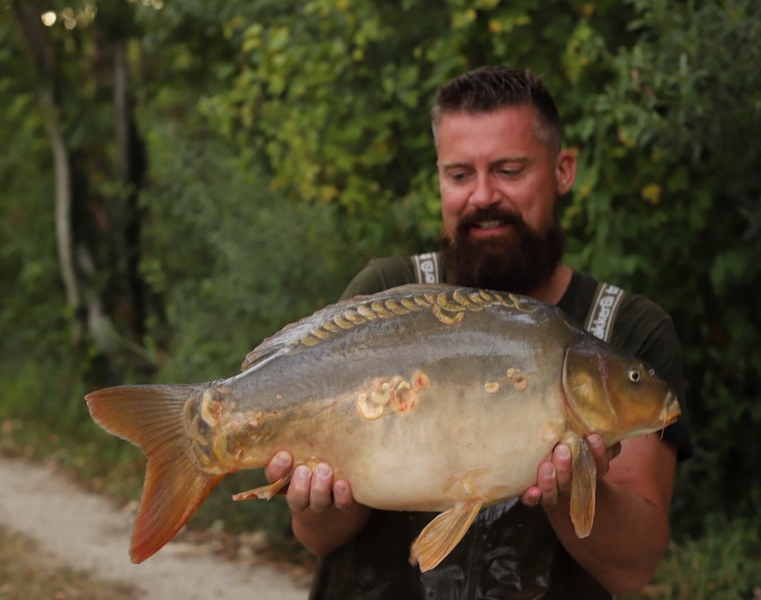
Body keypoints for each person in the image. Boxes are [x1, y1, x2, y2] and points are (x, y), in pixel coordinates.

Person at [264, 65, 692, 599]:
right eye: (460, 175)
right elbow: (315, 537)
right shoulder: (387, 293)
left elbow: (634, 567)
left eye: (509, 170)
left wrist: (570, 486)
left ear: (563, 170)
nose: (483, 196)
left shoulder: (626, 329)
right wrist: (321, 503)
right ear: (439, 177)